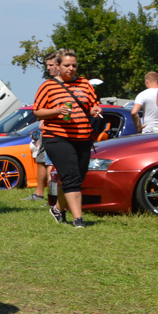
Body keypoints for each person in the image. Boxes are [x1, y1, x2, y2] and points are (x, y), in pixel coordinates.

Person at [32, 48, 102, 229]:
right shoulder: (48, 86)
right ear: (58, 66)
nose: (71, 69)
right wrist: (57, 111)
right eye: (67, 65)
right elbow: (37, 111)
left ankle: (57, 209)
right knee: (70, 176)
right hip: (57, 137)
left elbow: (92, 105)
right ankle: (78, 219)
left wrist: (95, 110)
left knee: (78, 177)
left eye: (74, 66)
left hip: (83, 137)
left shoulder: (84, 84)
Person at [26, 51, 61, 202]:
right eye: (47, 65)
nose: (48, 68)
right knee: (42, 161)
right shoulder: (48, 85)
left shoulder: (62, 86)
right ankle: (40, 194)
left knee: (50, 164)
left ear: (59, 65)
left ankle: (52, 198)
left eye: (51, 65)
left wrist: (47, 116)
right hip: (46, 130)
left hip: (55, 131)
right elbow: (38, 109)